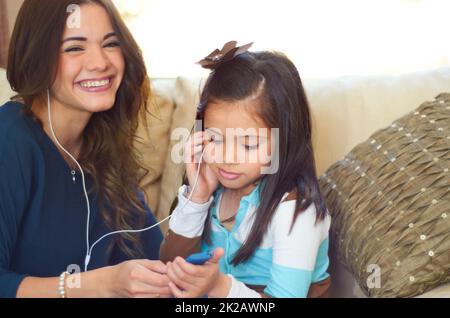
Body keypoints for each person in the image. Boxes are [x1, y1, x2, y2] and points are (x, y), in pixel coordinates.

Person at [0, 0, 168, 298]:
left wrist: (200, 197)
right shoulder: (10, 141)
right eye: (75, 47)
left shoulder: (102, 144)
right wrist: (97, 285)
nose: (100, 62)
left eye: (111, 43)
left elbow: (158, 262)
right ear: (37, 57)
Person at [160, 42, 332, 298]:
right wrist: (198, 198)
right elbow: (170, 266)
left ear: (284, 139)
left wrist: (220, 287)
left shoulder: (297, 212)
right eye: (215, 139)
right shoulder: (214, 192)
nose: (227, 158)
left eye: (249, 144)